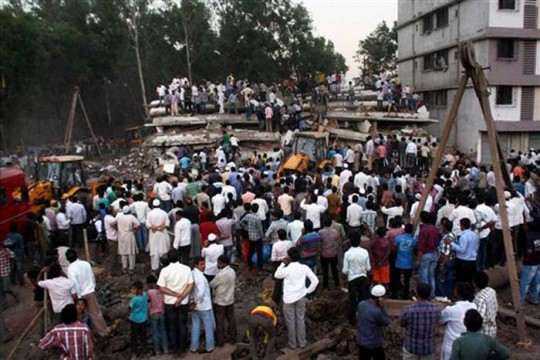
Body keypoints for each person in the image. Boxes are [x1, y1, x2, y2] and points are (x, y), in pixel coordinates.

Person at [274, 247, 319, 350]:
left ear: (289, 257)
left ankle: (293, 344)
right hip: (301, 297)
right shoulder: (304, 268)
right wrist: (308, 291)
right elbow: (315, 281)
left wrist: (282, 263)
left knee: (290, 321)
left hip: (288, 298)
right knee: (300, 319)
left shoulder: (286, 269)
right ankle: (302, 343)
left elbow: (276, 275)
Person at [157, 248, 193, 355]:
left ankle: (174, 348)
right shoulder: (186, 269)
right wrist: (181, 297)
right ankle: (183, 348)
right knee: (182, 324)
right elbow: (190, 285)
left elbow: (162, 288)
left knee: (172, 326)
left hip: (170, 302)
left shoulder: (164, 271)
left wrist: (175, 295)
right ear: (179, 257)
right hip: (183, 302)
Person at [66, 249, 109, 336]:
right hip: (90, 291)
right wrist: (93, 286)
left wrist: (76, 296)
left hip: (80, 295)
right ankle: (103, 331)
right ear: (76, 255)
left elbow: (74, 284)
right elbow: (92, 276)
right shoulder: (86, 263)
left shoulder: (70, 269)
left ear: (68, 259)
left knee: (79, 314)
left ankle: (81, 333)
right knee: (95, 312)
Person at [400, 283, 441, 360]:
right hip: (428, 348)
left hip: (411, 347)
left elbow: (402, 323)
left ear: (417, 293)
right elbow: (438, 322)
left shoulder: (408, 309)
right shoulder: (436, 309)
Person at [440, 283, 477, 360]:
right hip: (468, 345)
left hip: (451, 346)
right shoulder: (474, 306)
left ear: (457, 294)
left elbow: (440, 320)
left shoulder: (451, 309)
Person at [343, 232, 371, 325]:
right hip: (363, 278)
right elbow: (368, 268)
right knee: (363, 299)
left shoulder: (347, 254)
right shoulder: (365, 252)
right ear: (360, 241)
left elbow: (345, 270)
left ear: (350, 242)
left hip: (352, 279)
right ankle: (363, 318)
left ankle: (352, 321)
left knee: (352, 299)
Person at [357, 284, 390, 360]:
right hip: (374, 344)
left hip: (362, 342)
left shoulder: (361, 304)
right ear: (380, 298)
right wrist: (383, 308)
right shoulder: (377, 312)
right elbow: (386, 321)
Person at [190, 257, 215, 353]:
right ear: (196, 265)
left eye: (204, 264)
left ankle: (193, 346)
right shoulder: (200, 277)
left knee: (195, 325)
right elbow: (201, 292)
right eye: (201, 264)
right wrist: (196, 300)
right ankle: (210, 346)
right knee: (209, 327)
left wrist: (193, 301)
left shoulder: (192, 274)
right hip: (204, 305)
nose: (204, 266)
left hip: (196, 306)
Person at [210, 255, 237, 347]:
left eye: (219, 263)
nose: (218, 265)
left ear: (224, 263)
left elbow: (212, 284)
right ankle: (233, 338)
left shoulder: (220, 275)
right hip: (230, 300)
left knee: (220, 322)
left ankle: (220, 341)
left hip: (220, 301)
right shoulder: (232, 271)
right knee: (231, 319)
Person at [447, 218, 478, 283]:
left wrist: (451, 243)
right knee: (470, 279)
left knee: (462, 280)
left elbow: (461, 249)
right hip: (473, 260)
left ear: (462, 226)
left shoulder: (464, 236)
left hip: (463, 261)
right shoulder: (475, 235)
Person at [417, 211, 439, 300]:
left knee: (424, 275)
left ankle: (425, 295)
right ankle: (432, 294)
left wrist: (418, 259)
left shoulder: (423, 230)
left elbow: (421, 246)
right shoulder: (434, 229)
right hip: (434, 253)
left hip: (426, 254)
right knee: (431, 275)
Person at [147, 199, 171, 273]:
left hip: (153, 235)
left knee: (154, 251)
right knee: (163, 249)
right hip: (162, 234)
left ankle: (155, 267)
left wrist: (154, 228)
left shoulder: (150, 213)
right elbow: (167, 223)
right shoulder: (164, 213)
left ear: (153, 206)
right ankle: (164, 266)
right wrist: (160, 227)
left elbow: (147, 224)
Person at [147, 274, 168, 356]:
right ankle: (166, 350)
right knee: (163, 332)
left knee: (155, 332)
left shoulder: (150, 292)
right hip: (162, 313)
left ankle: (157, 351)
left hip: (153, 313)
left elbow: (148, 301)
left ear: (149, 283)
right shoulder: (161, 290)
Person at [394, 223, 417, 299]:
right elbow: (415, 249)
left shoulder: (398, 238)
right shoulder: (414, 240)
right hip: (408, 263)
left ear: (404, 230)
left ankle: (394, 295)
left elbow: (394, 247)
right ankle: (405, 296)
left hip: (399, 262)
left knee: (396, 279)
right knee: (407, 280)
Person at [518, 229, 540, 305]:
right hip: (538, 262)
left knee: (525, 283)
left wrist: (526, 258)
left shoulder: (530, 238)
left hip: (530, 263)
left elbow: (529, 251)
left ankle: (520, 301)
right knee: (536, 282)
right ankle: (534, 299)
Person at [472, 271, 498, 337]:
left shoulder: (480, 298)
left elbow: (479, 319)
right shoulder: (491, 291)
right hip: (493, 329)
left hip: (483, 333)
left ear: (474, 283)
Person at [116, 205, 140, 274]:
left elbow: (113, 223)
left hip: (121, 235)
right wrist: (135, 230)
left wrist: (117, 229)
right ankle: (131, 268)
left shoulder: (119, 217)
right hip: (129, 235)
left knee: (123, 253)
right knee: (131, 252)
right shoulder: (131, 217)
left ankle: (124, 267)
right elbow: (138, 224)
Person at [240, 203, 264, 270]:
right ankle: (260, 266)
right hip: (257, 237)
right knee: (259, 252)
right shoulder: (257, 218)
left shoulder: (248, 216)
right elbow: (260, 229)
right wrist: (263, 237)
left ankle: (249, 263)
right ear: (257, 209)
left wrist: (246, 228)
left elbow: (241, 222)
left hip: (250, 236)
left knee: (251, 250)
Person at [318, 217, 340, 289]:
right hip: (333, 253)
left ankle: (325, 286)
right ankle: (337, 284)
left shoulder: (320, 232)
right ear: (331, 223)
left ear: (324, 223)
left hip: (324, 254)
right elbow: (336, 239)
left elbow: (319, 242)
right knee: (334, 269)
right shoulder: (335, 231)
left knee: (325, 270)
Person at [129, 280, 148, 356]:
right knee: (143, 335)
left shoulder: (134, 299)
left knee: (134, 335)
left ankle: (135, 350)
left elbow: (130, 308)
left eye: (134, 289)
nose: (132, 290)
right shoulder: (145, 295)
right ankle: (144, 348)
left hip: (135, 319)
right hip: (144, 318)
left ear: (139, 290)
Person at [0, 242, 18, 309]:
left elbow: (12, 256)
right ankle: (4, 304)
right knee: (1, 290)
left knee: (6, 288)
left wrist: (5, 252)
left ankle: (15, 294)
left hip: (5, 272)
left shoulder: (6, 251)